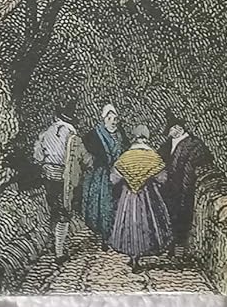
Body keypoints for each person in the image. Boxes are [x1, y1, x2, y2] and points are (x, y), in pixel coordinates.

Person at [109, 124, 172, 269]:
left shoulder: (125, 157)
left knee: (129, 223)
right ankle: (141, 254)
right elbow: (163, 178)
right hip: (148, 196)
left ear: (134, 138)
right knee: (147, 223)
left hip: (128, 197)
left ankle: (133, 257)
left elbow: (113, 178)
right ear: (147, 138)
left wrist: (128, 180)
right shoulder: (153, 157)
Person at [32, 112, 89, 262]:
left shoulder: (46, 132)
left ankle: (55, 242)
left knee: (54, 211)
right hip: (64, 178)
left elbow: (37, 155)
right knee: (64, 213)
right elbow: (83, 157)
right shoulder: (72, 134)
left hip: (49, 177)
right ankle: (59, 252)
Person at [160, 115, 214, 257]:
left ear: (179, 128)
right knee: (170, 218)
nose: (169, 133)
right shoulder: (168, 144)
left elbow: (193, 170)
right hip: (169, 190)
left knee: (182, 219)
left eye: (171, 130)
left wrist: (185, 189)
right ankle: (171, 247)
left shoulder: (194, 144)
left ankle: (179, 250)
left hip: (184, 189)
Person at [81, 103, 124, 242]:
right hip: (100, 176)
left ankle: (115, 233)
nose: (113, 122)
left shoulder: (120, 134)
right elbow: (86, 152)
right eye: (109, 118)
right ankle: (104, 234)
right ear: (104, 119)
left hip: (118, 174)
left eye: (115, 119)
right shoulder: (93, 134)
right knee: (102, 204)